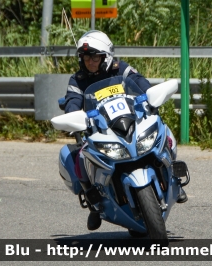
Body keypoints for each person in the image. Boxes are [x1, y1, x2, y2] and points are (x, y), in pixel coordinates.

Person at [62, 30, 187, 231]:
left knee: (163, 130)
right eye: (86, 57)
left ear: (107, 56)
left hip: (131, 121)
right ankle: (93, 201)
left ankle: (173, 177)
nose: (90, 61)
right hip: (99, 129)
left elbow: (141, 84)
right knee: (78, 155)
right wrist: (74, 115)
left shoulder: (123, 69)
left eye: (95, 56)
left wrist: (150, 95)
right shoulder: (77, 80)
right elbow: (72, 102)